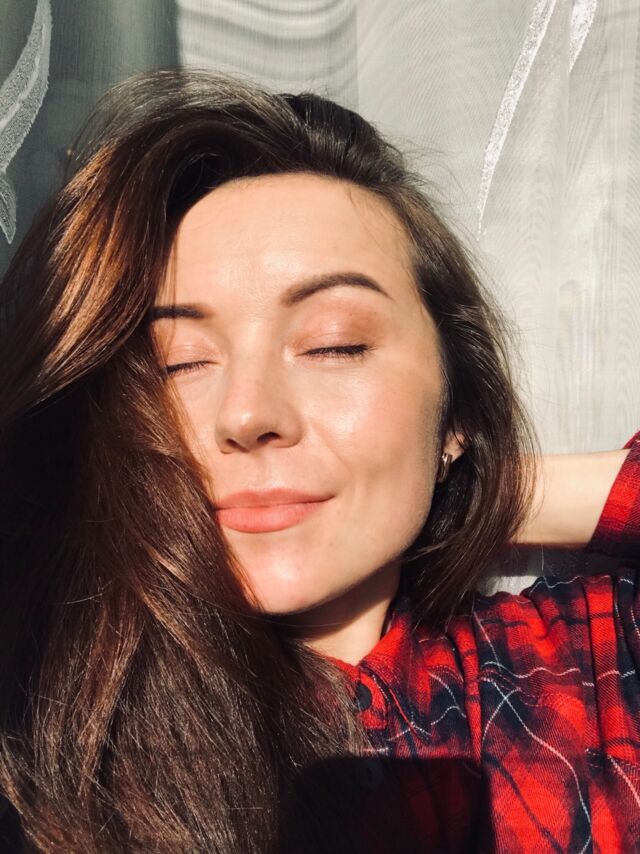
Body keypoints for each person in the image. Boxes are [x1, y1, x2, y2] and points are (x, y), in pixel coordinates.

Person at [0, 68, 636, 853]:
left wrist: (482, 488)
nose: (247, 415)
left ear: (458, 408)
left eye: (334, 344)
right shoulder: (48, 713)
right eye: (179, 362)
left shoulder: (587, 665)